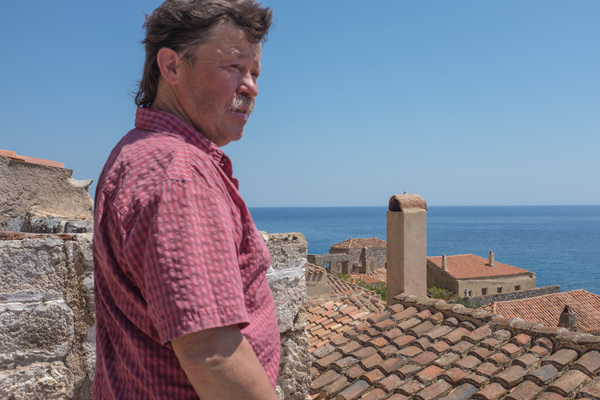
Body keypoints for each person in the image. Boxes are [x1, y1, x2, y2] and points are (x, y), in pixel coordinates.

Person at [92, 1, 280, 398]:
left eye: (255, 72)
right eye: (234, 66)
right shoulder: (180, 174)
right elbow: (211, 355)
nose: (251, 87)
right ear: (172, 66)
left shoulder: (137, 150)